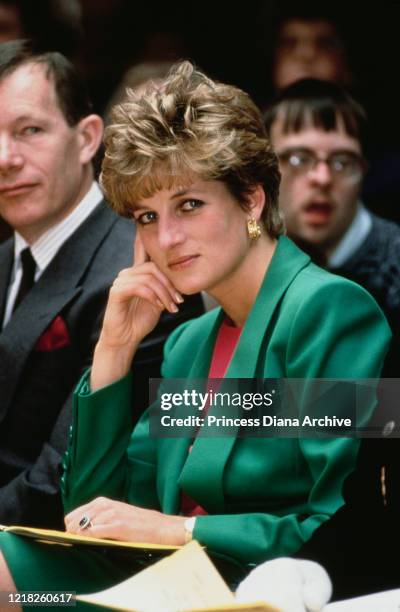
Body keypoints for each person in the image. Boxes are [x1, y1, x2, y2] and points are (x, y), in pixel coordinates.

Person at [0, 60, 390, 599]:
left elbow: (345, 525)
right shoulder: (189, 341)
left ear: (251, 199)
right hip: (155, 582)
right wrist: (113, 350)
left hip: (260, 587)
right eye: (147, 217)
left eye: (189, 204)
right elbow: (91, 515)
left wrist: (181, 529)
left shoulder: (330, 309)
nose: (168, 237)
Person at [0, 40, 203, 529]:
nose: (5, 158)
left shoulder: (139, 269)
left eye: (29, 131)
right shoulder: (6, 259)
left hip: (71, 547)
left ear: (89, 138)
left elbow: (64, 483)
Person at [264, 77, 400, 376]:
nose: (322, 178)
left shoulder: (395, 267)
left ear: (363, 172)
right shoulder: (239, 259)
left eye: (342, 162)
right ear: (262, 171)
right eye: (299, 158)